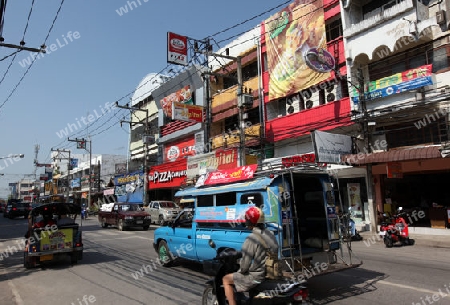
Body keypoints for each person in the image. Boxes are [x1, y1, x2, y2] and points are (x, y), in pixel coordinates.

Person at [222, 206, 278, 305]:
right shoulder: (271, 234)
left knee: (226, 279)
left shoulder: (252, 238)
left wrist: (238, 271)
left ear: (249, 222)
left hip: (256, 277)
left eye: (246, 220)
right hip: (271, 273)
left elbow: (244, 266)